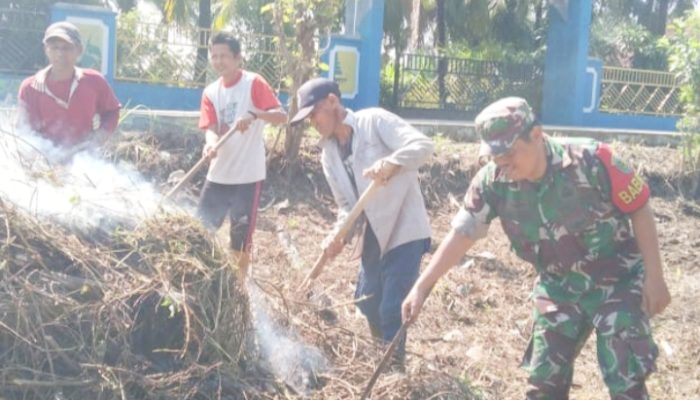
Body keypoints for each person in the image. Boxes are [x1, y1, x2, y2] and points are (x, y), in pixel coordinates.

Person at [402, 97, 671, 399]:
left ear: (536, 135)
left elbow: (639, 207)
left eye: (509, 153)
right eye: (495, 156)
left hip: (617, 282)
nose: (502, 163)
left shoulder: (593, 160)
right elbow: (462, 234)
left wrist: (655, 277)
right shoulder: (493, 181)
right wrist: (422, 287)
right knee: (543, 385)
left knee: (626, 382)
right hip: (557, 288)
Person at [289, 77, 433, 368]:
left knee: (393, 307)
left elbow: (423, 146)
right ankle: (383, 353)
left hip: (404, 228)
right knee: (367, 302)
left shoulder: (374, 122)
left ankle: (392, 373)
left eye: (313, 113)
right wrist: (337, 236)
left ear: (332, 101)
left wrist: (392, 163)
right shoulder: (328, 154)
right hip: (372, 234)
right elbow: (347, 207)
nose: (313, 122)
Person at [197, 31, 287, 278]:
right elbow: (211, 129)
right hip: (218, 176)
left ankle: (238, 290)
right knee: (200, 232)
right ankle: (203, 282)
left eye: (224, 55)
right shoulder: (210, 92)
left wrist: (256, 114)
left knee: (240, 240)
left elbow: (282, 116)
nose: (218, 61)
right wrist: (210, 145)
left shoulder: (253, 83)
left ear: (237, 58)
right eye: (214, 56)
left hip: (247, 178)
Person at [16, 21, 120, 147]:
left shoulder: (94, 81)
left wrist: (99, 137)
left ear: (79, 50)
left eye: (67, 48)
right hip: (43, 160)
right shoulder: (30, 87)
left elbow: (112, 111)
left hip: (84, 159)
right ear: (46, 50)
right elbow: (25, 131)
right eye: (54, 47)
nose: (60, 53)